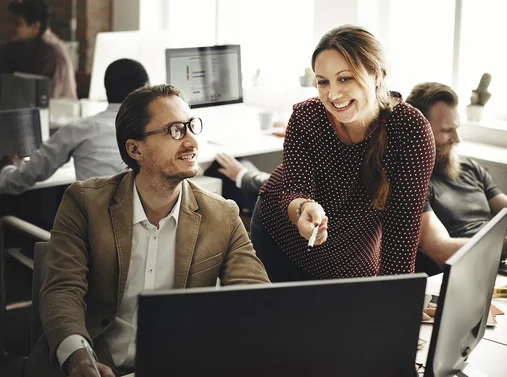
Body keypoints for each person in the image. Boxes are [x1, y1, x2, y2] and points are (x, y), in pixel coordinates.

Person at [25, 84, 270, 377]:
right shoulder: (84, 203)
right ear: (135, 149)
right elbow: (62, 290)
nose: (191, 141)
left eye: (191, 126)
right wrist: (78, 358)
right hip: (91, 363)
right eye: (175, 130)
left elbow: (255, 300)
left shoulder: (222, 214)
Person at [251, 25, 436, 282]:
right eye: (322, 82)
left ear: (377, 75)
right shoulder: (307, 116)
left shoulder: (409, 129)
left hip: (352, 258)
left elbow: (402, 230)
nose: (333, 94)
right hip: (282, 239)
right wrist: (304, 207)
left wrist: (401, 300)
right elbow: (293, 189)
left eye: (345, 78)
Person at [405, 81, 507, 274]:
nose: (457, 139)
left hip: (495, 268)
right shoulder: (412, 182)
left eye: (456, 128)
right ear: (418, 131)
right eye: (446, 130)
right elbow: (441, 251)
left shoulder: (469, 168)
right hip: (460, 277)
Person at [0, 58, 149, 195]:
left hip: (93, 222)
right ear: (143, 91)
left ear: (106, 88)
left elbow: (18, 180)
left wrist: (7, 170)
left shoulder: (79, 130)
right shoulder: (154, 132)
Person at [0, 0, 77, 99]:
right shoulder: (16, 45)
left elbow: (46, 99)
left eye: (17, 23)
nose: (9, 28)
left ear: (36, 26)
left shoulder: (52, 52)